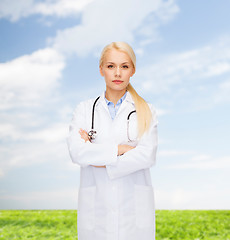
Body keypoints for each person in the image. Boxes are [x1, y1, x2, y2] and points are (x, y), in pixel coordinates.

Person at [67, 41, 158, 240]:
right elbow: (77, 152)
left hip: (134, 217)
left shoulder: (146, 110)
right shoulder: (84, 110)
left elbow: (147, 156)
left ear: (133, 70)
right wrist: (120, 149)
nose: (117, 73)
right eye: (111, 66)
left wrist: (98, 159)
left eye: (124, 66)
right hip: (96, 214)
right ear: (101, 70)